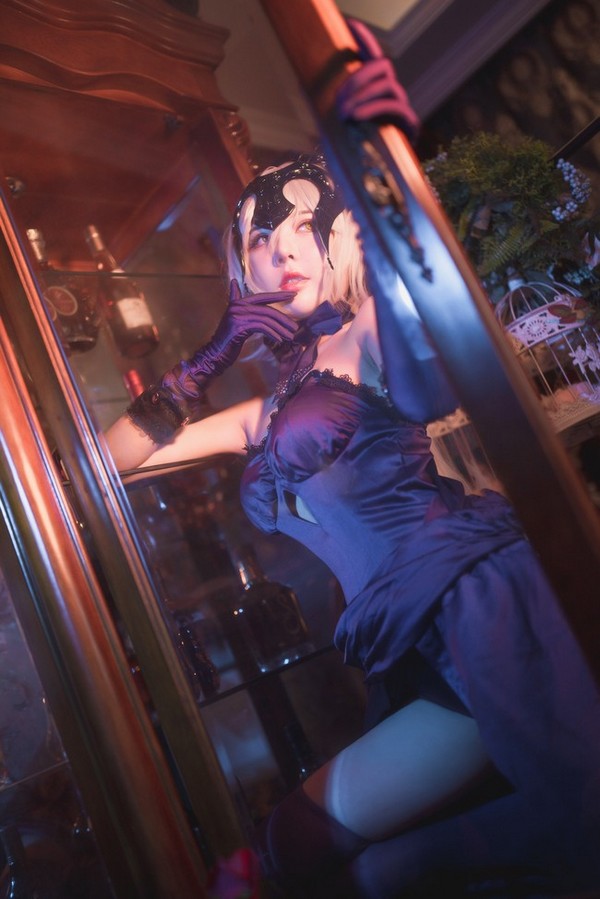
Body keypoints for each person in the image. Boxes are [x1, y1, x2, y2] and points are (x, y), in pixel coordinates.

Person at [105, 20, 600, 899]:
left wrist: (380, 183)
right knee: (320, 850)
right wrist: (210, 354)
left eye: (303, 224)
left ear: (337, 238)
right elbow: (108, 465)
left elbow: (422, 385)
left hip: (478, 597)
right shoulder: (267, 409)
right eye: (259, 240)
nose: (282, 249)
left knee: (564, 826)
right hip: (407, 644)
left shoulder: (370, 325)